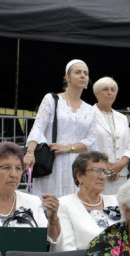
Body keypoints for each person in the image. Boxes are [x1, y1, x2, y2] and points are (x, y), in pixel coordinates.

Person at [24, 59, 97, 197]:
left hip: (77, 165)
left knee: (72, 206)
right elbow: (38, 127)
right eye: (78, 72)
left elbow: (91, 140)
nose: (83, 75)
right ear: (67, 77)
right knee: (48, 205)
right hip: (52, 162)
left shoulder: (90, 110)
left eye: (85, 73)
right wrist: (30, 152)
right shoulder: (51, 99)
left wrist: (68, 147)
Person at [56, 151, 122, 252]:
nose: (103, 177)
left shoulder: (115, 202)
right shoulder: (64, 204)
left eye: (105, 171)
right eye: (97, 170)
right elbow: (66, 249)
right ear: (80, 176)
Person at [88, 76, 130, 194]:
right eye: (105, 89)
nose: (109, 93)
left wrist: (120, 166)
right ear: (96, 93)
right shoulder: (88, 115)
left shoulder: (122, 118)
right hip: (97, 174)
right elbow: (87, 145)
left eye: (113, 90)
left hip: (121, 176)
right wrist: (106, 167)